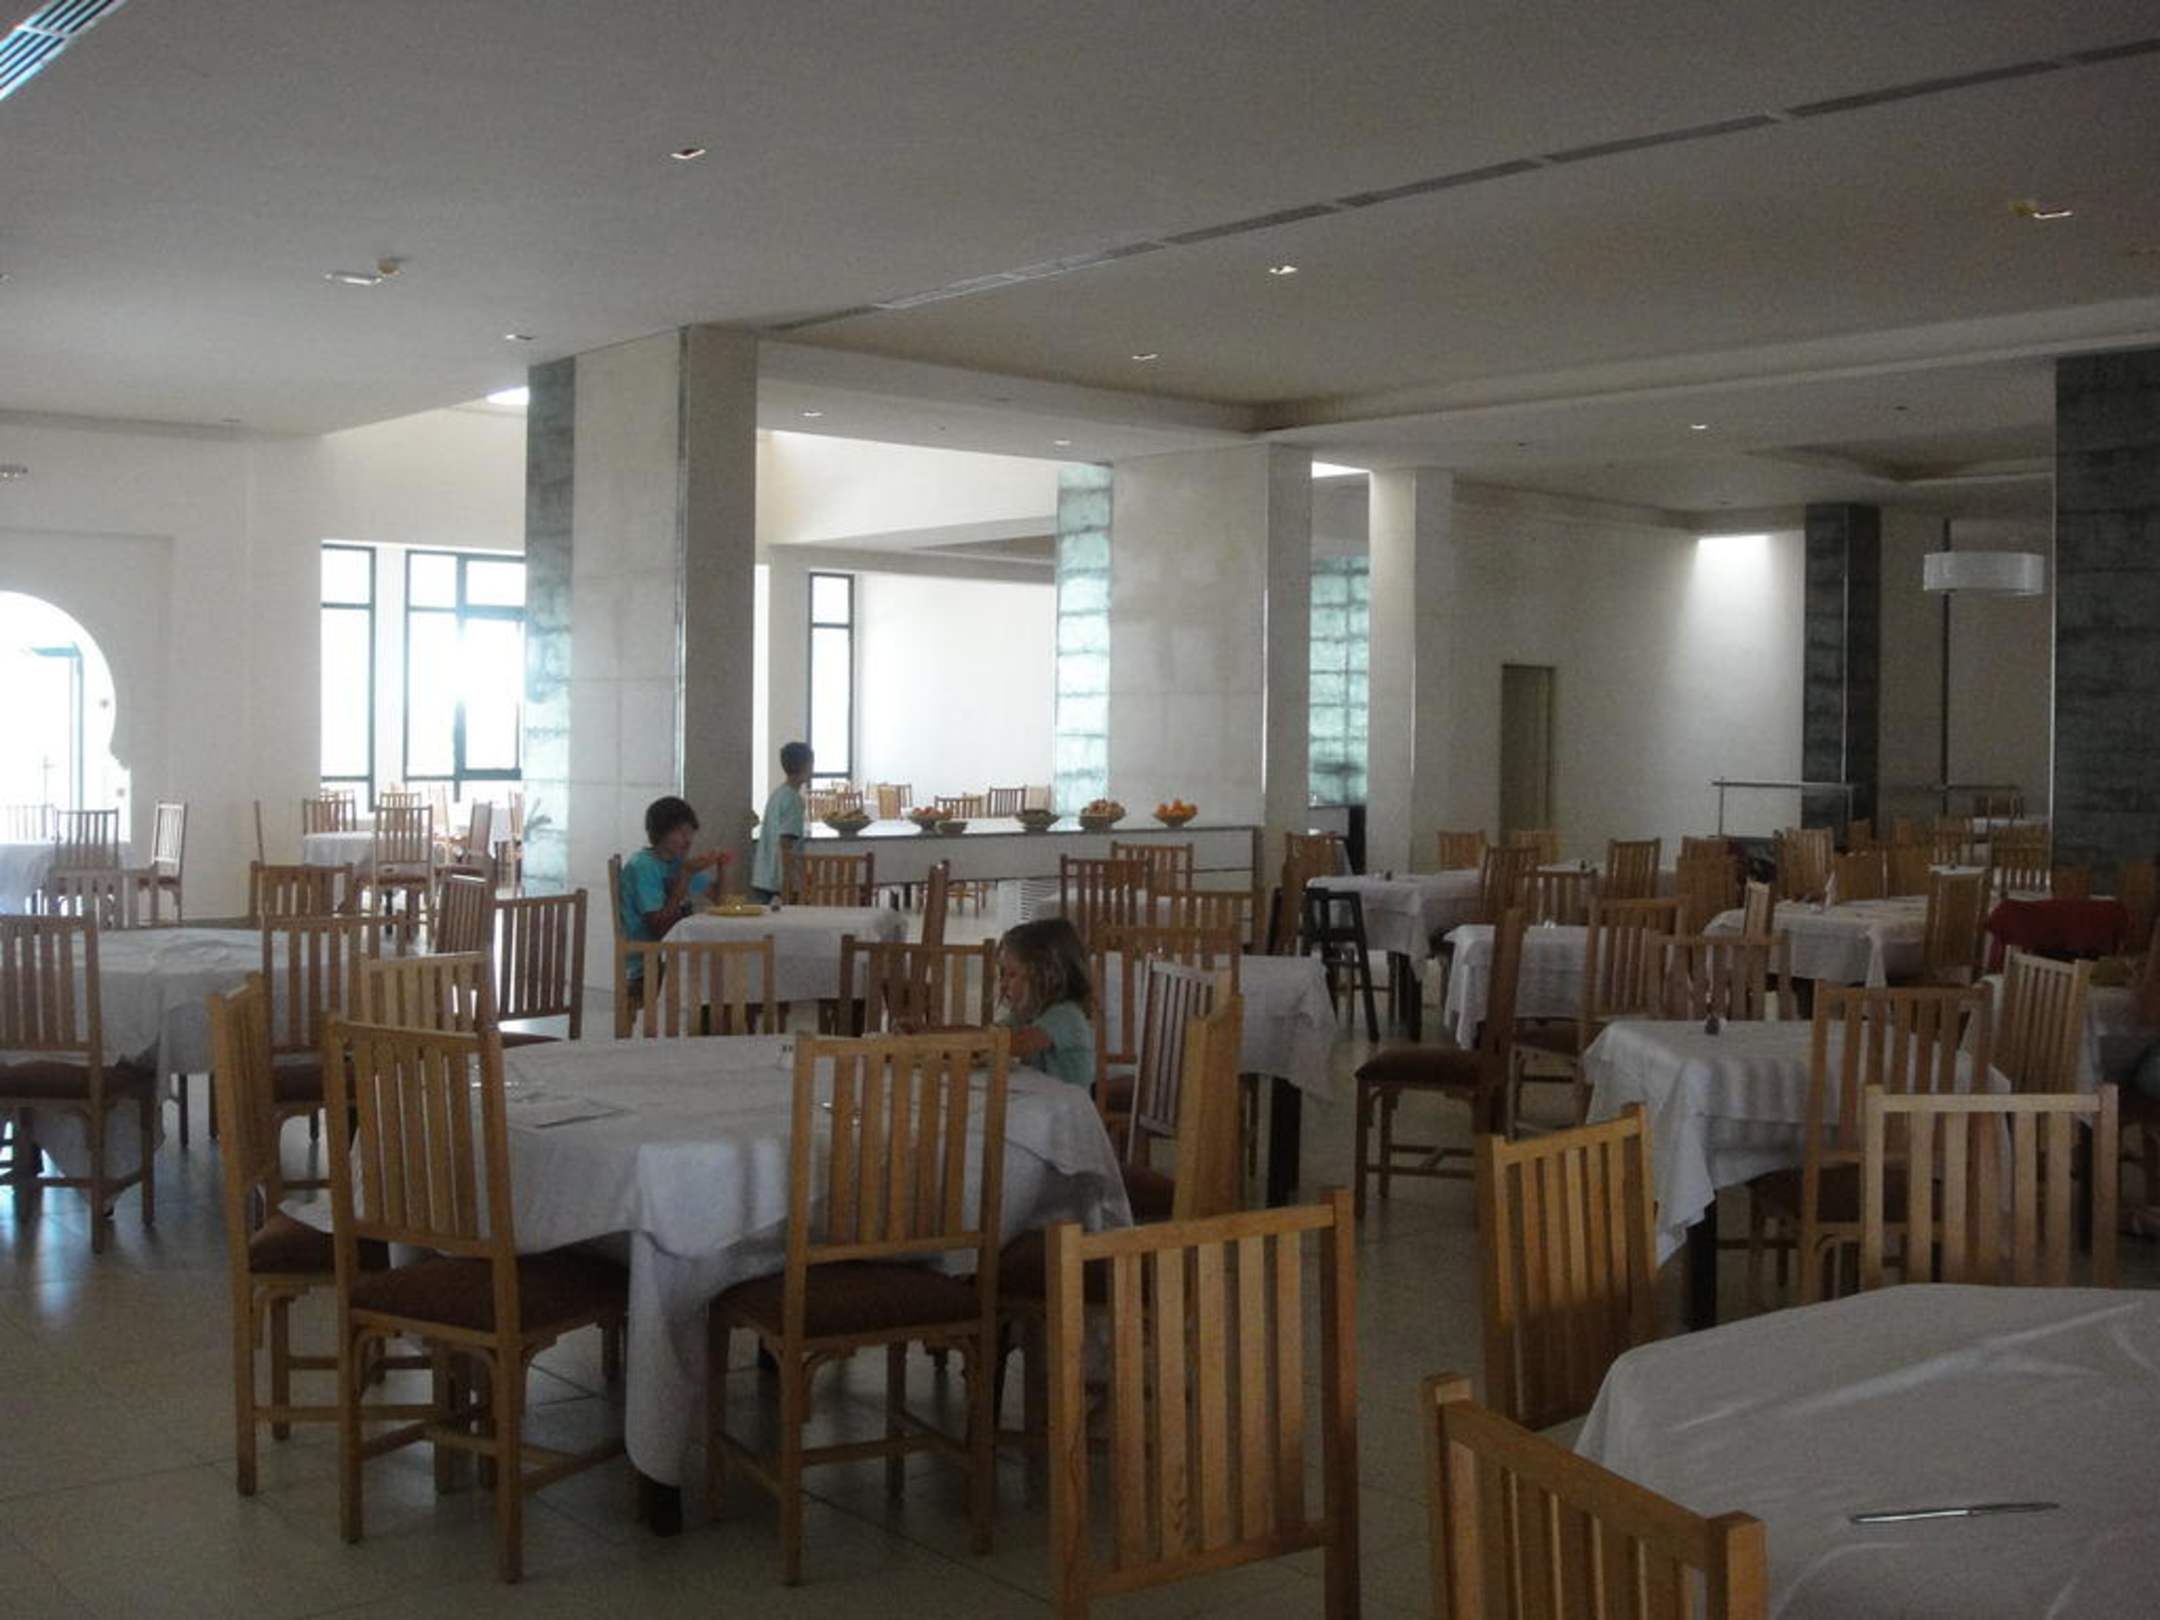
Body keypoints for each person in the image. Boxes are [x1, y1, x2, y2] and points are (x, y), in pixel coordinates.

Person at [618, 796, 729, 971]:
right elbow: (662, 929)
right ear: (660, 833)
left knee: (727, 966)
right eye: (681, 833)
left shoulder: (677, 862)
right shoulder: (643, 866)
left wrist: (721, 866)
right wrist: (685, 875)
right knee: (723, 972)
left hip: (675, 955)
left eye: (690, 833)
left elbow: (720, 901)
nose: (688, 840)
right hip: (648, 963)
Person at [996, 918, 1096, 1090]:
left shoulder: (1065, 1015)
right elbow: (996, 1031)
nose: (1003, 983)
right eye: (1003, 973)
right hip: (1042, 1100)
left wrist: (974, 1044)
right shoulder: (1029, 1014)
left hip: (1067, 1105)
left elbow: (1020, 1044)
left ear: (1047, 977)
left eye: (1012, 975)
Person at [753, 740, 813, 902]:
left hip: (763, 876)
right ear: (805, 766)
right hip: (780, 882)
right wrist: (792, 883)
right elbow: (786, 843)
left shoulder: (777, 794)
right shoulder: (793, 800)